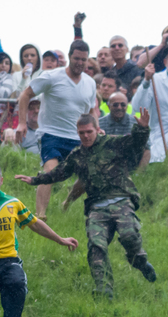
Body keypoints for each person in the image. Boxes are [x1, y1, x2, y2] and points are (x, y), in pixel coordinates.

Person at [15, 110, 156, 300]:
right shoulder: (77, 155)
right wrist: (34, 180)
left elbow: (136, 144)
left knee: (129, 235)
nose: (86, 136)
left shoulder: (112, 143)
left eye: (89, 132)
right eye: (81, 133)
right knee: (96, 246)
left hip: (121, 199)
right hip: (97, 206)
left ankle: (138, 260)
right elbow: (58, 173)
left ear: (97, 130)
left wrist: (142, 128)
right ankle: (103, 289)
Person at [0, 166, 78, 317]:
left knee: (17, 285)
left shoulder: (12, 203)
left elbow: (34, 223)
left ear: (1, 180)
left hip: (8, 260)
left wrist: (60, 239)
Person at [15, 40, 97, 220]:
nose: (80, 63)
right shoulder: (52, 76)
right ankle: (40, 216)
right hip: (51, 134)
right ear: (68, 58)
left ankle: (67, 202)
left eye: (83, 60)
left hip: (77, 136)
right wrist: (22, 123)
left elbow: (91, 111)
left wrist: (95, 129)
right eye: (76, 58)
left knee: (88, 174)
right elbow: (25, 94)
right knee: (50, 171)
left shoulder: (90, 83)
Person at [98, 92, 151, 168]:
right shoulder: (99, 124)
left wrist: (139, 174)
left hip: (131, 167)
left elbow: (147, 150)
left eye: (123, 105)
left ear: (127, 106)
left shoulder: (136, 123)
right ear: (108, 106)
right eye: (115, 105)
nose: (119, 107)